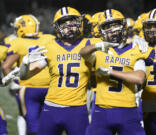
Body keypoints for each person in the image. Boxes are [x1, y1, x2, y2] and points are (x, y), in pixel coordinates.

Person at [19, 7, 101, 135]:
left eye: (72, 21)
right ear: (57, 26)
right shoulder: (50, 47)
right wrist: (24, 64)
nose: (69, 26)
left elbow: (117, 45)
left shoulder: (89, 43)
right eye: (64, 23)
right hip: (51, 108)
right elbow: (24, 76)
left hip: (77, 109)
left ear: (80, 23)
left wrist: (136, 41)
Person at [79, 9, 154, 135]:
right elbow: (82, 53)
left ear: (123, 26)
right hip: (102, 109)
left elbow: (140, 78)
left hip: (127, 109)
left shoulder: (135, 49)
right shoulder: (99, 50)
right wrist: (97, 46)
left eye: (115, 24)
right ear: (101, 30)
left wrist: (110, 72)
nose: (113, 29)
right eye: (108, 26)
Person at [2, 14, 55, 135]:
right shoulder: (49, 38)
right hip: (50, 87)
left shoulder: (17, 42)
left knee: (33, 126)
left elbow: (5, 66)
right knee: (49, 125)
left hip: (28, 88)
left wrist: (13, 84)